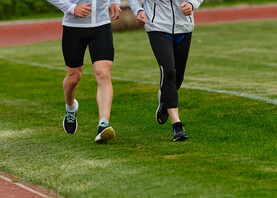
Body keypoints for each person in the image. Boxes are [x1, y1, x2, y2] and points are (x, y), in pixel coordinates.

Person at [47, 0, 122, 143]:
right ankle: (70, 108)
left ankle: (103, 125)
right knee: (74, 77)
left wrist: (114, 2)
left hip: (101, 25)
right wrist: (71, 8)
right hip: (73, 27)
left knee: (103, 73)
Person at [128, 0, 203, 141]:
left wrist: (192, 4)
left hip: (184, 26)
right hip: (157, 25)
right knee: (169, 71)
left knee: (177, 78)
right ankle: (177, 126)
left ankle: (164, 101)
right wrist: (139, 10)